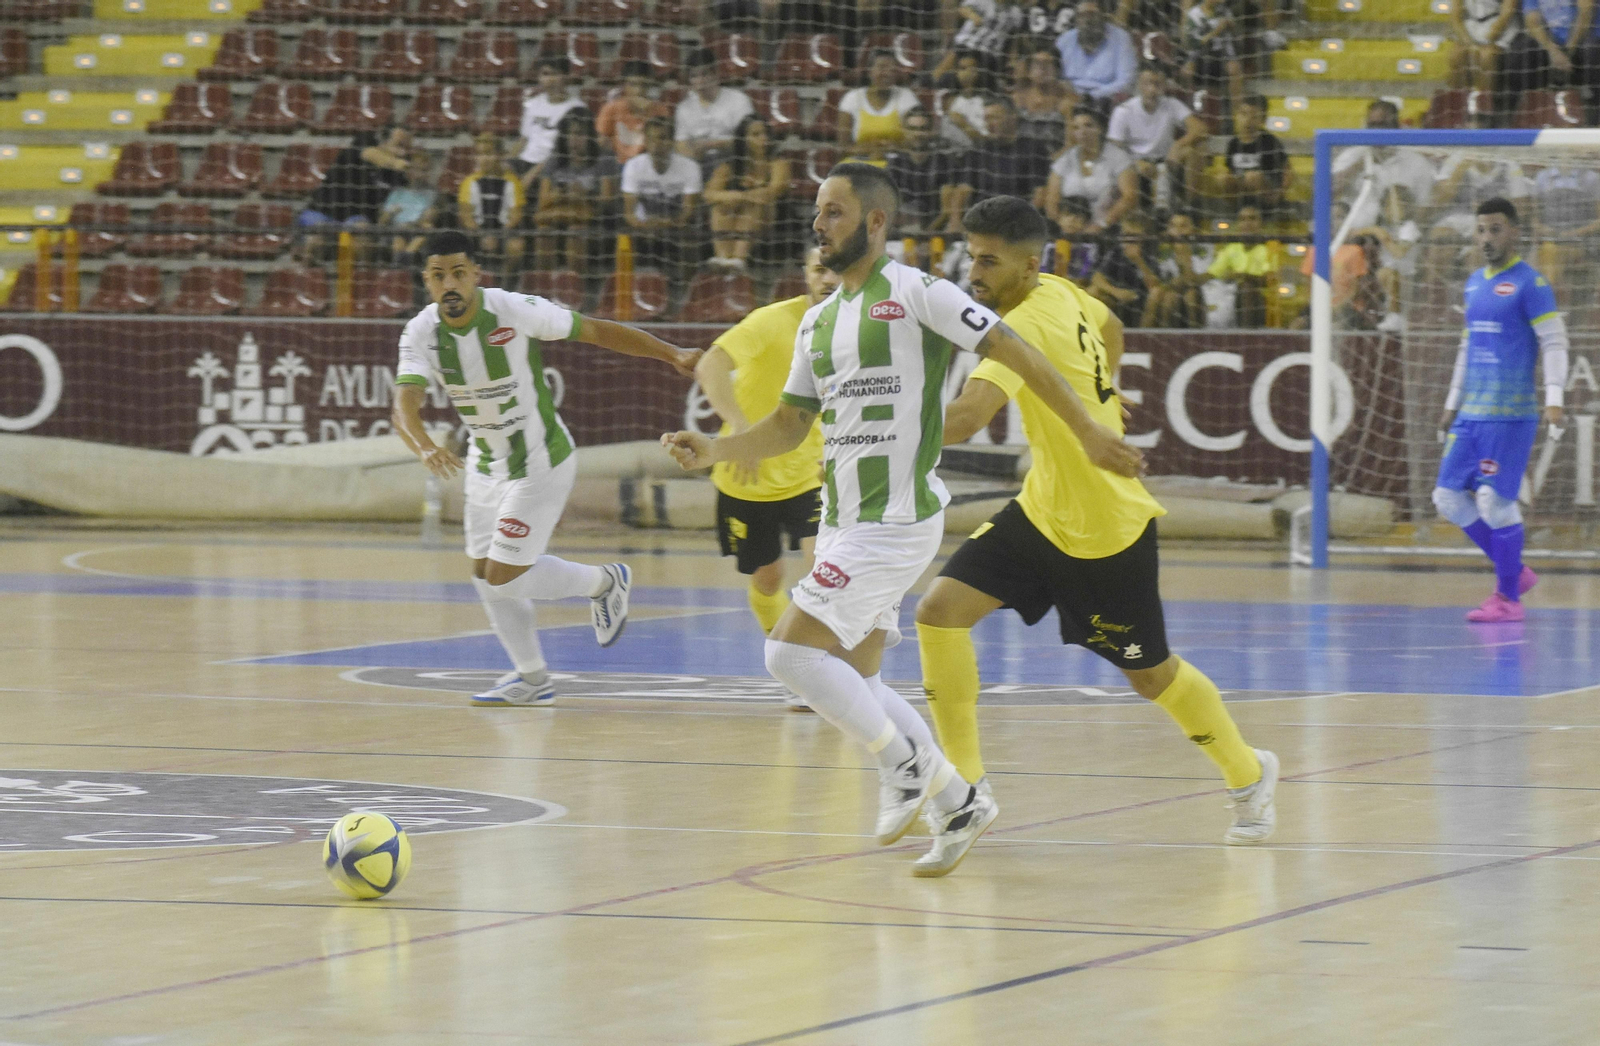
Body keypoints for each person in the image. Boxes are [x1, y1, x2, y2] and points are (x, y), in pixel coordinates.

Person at [660, 163, 1143, 876]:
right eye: (817, 212)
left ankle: (905, 766)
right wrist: (717, 449)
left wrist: (1087, 431)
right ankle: (958, 799)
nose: (818, 225)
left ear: (876, 222)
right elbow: (792, 424)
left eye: (833, 213)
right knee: (858, 678)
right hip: (843, 516)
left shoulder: (920, 294)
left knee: (789, 656)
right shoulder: (819, 321)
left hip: (898, 515)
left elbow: (1016, 349)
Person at [916, 193, 1280, 845]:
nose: (975, 274)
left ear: (1029, 264)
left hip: (1107, 527)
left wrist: (872, 432)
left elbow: (968, 418)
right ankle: (964, 791)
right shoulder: (1060, 289)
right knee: (938, 612)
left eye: (989, 262)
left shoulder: (1024, 326)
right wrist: (1101, 390)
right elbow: (1111, 327)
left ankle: (1250, 773)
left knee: (1150, 676)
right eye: (971, 258)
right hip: (1040, 511)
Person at [390, 230, 701, 705]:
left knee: (503, 574)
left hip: (540, 460)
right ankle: (532, 679)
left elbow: (595, 329)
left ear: (475, 275)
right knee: (483, 574)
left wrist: (672, 354)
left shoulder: (513, 309)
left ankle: (604, 581)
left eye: (458, 272)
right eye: (438, 276)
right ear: (427, 282)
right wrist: (424, 447)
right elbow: (404, 407)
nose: (449, 284)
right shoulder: (420, 332)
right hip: (485, 463)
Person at [694, 246, 839, 710]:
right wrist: (738, 427)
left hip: (809, 474)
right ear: (805, 275)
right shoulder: (772, 321)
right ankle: (787, 656)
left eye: (836, 268)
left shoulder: (861, 328)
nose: (828, 278)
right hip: (746, 474)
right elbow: (710, 364)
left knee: (825, 566)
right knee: (769, 578)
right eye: (819, 269)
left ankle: (812, 667)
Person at [1433, 199, 1568, 622]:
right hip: (1472, 411)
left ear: (1514, 233)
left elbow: (1554, 341)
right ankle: (1516, 573)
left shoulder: (1532, 284)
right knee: (1447, 498)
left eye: (1495, 229)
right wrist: (1451, 402)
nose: (1487, 238)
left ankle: (1508, 598)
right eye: (1481, 230)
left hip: (1511, 412)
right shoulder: (1474, 283)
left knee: (1494, 502)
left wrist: (1555, 397)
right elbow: (1466, 347)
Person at [298, 126, 411, 262]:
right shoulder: (364, 142)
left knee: (362, 239)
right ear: (382, 142)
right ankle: (307, 275)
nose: (403, 153)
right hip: (322, 212)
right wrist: (396, 163)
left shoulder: (397, 178)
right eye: (399, 145)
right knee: (316, 239)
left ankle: (362, 277)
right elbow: (371, 154)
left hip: (356, 219)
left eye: (407, 148)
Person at [1108, 68, 1208, 213]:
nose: (1152, 89)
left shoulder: (1171, 104)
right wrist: (1135, 163)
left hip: (1167, 161)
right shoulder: (1124, 110)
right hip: (1136, 163)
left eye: (1157, 84)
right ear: (1139, 85)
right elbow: (1112, 151)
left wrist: (1178, 145)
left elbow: (1201, 129)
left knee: (1195, 149)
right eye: (1147, 83)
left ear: (1164, 86)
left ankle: (1190, 207)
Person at [535, 108, 618, 273]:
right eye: (569, 134)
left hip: (592, 223)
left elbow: (607, 199)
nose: (573, 139)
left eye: (579, 134)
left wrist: (584, 196)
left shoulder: (604, 159)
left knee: (576, 232)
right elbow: (542, 201)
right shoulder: (555, 160)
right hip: (558, 217)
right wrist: (562, 194)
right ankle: (544, 287)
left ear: (589, 135)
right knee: (544, 231)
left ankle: (576, 289)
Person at [620, 116, 704, 277]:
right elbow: (629, 213)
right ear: (645, 141)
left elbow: (688, 212)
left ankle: (686, 286)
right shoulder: (633, 166)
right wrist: (644, 225)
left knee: (690, 239)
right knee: (625, 239)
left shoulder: (690, 167)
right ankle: (632, 283)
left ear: (672, 141)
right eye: (651, 138)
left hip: (676, 225)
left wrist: (668, 223)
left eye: (663, 138)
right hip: (644, 225)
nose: (657, 143)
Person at [705, 115, 790, 268]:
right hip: (734, 215)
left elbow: (775, 190)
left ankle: (739, 258)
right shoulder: (731, 164)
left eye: (766, 134)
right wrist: (732, 197)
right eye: (756, 134)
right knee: (721, 206)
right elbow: (709, 194)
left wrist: (743, 196)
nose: (763, 138)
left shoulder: (778, 162)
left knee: (754, 204)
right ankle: (723, 258)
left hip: (770, 216)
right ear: (743, 139)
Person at [949, 96, 1055, 219]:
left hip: (1018, 218)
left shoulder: (1033, 149)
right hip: (982, 219)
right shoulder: (978, 151)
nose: (989, 124)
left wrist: (1025, 220)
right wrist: (955, 222)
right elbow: (963, 190)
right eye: (986, 119)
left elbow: (1040, 193)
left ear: (1012, 118)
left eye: (994, 118)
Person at [1045, 106, 1138, 233]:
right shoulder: (1065, 160)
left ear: (1100, 129)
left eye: (1088, 125)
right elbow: (1051, 200)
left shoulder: (1118, 157)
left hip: (1108, 229)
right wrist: (1063, 225)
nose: (1082, 132)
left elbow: (1130, 197)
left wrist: (1101, 225)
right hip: (1069, 230)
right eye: (1076, 128)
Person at [513, 58, 586, 195]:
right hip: (525, 161)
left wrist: (533, 173)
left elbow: (567, 150)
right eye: (545, 74)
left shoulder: (577, 108)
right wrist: (506, 163)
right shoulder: (532, 104)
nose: (550, 79)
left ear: (566, 77)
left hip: (555, 166)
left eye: (555, 74)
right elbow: (523, 140)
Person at [886, 107, 962, 235]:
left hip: (937, 229)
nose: (918, 134)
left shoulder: (944, 163)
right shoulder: (895, 164)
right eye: (913, 129)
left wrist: (925, 234)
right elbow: (889, 207)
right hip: (904, 228)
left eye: (923, 129)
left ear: (931, 131)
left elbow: (946, 212)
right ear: (904, 131)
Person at [458, 132, 526, 274]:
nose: (484, 159)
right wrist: (482, 235)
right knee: (458, 246)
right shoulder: (469, 182)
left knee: (516, 246)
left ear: (500, 155)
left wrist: (498, 235)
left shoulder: (512, 181)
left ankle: (504, 280)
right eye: (480, 154)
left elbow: (516, 216)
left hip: (503, 232)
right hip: (477, 233)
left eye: (488, 153)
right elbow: (466, 216)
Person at [1212, 93, 1292, 212]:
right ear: (1237, 115)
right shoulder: (1233, 143)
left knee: (1252, 177)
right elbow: (1229, 170)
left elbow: (1287, 170)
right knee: (1222, 178)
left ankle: (1265, 207)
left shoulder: (1269, 141)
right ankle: (1234, 208)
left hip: (1265, 191)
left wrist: (1280, 192)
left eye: (1254, 116)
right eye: (1244, 114)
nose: (1248, 120)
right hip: (1241, 190)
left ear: (1263, 120)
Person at [837, 49, 922, 161]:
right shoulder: (852, 98)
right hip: (859, 164)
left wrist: (893, 147)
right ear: (869, 71)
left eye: (892, 70)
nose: (886, 74)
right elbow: (843, 148)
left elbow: (915, 142)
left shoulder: (907, 97)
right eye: (882, 67)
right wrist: (874, 150)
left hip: (897, 164)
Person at [675, 48, 755, 165]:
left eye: (704, 74)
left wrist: (711, 145)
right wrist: (693, 157)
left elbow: (749, 140)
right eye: (694, 76)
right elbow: (680, 144)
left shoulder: (739, 100)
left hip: (732, 162)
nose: (700, 81)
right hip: (697, 162)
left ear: (716, 73)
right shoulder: (684, 108)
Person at [1207, 202, 1281, 328]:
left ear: (1261, 224)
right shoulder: (1231, 248)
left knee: (1247, 288)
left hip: (1261, 302)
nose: (1247, 223)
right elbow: (1212, 274)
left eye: (1252, 219)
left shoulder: (1270, 248)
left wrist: (1243, 276)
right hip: (1230, 297)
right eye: (1243, 219)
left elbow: (1269, 279)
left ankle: (1246, 335)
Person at [1055, 0, 1139, 106]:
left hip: (1108, 102)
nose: (1087, 20)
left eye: (1092, 14)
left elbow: (1127, 80)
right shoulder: (1064, 40)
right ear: (1076, 18)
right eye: (1082, 15)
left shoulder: (1121, 38)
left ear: (1103, 16)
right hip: (1070, 100)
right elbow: (1056, 77)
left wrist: (1091, 97)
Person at [597, 60, 671, 165]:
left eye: (644, 85)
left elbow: (663, 143)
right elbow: (602, 143)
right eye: (633, 84)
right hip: (619, 165)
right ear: (624, 85)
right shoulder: (611, 108)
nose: (638, 90)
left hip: (648, 164)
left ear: (650, 86)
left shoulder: (660, 110)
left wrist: (646, 113)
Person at [1181, 0, 1244, 110]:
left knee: (1235, 69)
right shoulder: (1193, 14)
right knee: (1187, 72)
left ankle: (1237, 111)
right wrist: (1216, 31)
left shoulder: (1224, 11)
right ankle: (1189, 109)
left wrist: (1232, 26)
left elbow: (1236, 37)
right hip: (1200, 55)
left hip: (1222, 55)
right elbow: (1192, 43)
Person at [1013, 46, 1075, 156]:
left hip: (1056, 161)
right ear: (1028, 69)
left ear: (1057, 69)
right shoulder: (1017, 97)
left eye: (1048, 64)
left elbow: (1071, 145)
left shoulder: (1067, 100)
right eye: (1037, 63)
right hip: (1019, 159)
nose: (1042, 68)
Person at [1451, 0, 1521, 96]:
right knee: (1456, 55)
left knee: (1486, 55)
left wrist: (1488, 39)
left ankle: (1484, 100)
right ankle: (1461, 101)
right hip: (1471, 25)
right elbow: (1455, 17)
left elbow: (1506, 14)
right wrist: (1468, 42)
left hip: (1499, 26)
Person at [380, 150, 437, 266]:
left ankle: (408, 260)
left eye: (424, 171)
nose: (420, 174)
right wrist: (391, 212)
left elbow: (428, 220)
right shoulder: (397, 193)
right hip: (397, 231)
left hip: (418, 232)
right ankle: (399, 267)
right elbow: (382, 221)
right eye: (417, 170)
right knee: (398, 239)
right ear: (409, 171)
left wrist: (413, 225)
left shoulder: (432, 195)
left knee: (420, 236)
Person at [939, 51, 994, 151]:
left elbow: (989, 141)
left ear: (978, 71)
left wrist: (963, 124)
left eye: (969, 68)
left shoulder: (989, 103)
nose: (963, 73)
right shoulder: (950, 101)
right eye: (961, 68)